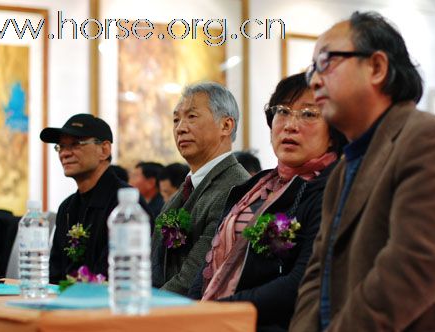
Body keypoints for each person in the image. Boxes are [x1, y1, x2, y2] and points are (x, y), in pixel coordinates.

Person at [290, 11, 435, 332]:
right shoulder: (344, 166)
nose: (315, 80)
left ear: (376, 67)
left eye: (327, 62)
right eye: (311, 70)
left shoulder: (426, 138)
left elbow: (413, 265)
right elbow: (317, 274)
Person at [188, 73, 346, 331]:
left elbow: (301, 282)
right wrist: (191, 310)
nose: (290, 125)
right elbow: (211, 262)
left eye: (308, 114)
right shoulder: (255, 186)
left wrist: (217, 311)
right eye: (282, 111)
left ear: (334, 130)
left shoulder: (331, 187)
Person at [151, 82, 250, 295]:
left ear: (226, 126)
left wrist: (148, 309)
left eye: (192, 117)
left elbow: (193, 278)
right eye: (176, 119)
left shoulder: (235, 188)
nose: (180, 128)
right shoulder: (186, 188)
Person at [41, 113, 153, 283]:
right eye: (61, 146)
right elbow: (55, 274)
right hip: (66, 304)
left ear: (104, 149)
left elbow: (114, 276)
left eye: (75, 144)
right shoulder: (67, 207)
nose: (64, 153)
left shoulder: (127, 206)